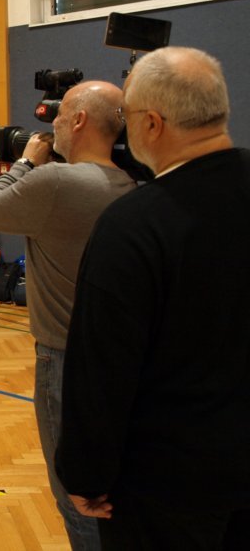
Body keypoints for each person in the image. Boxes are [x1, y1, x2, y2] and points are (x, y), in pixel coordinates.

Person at [56, 47, 250, 549]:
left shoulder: (134, 225)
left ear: (152, 124)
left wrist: (85, 474)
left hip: (169, 484)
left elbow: (102, 367)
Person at [0, 81, 135, 550]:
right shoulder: (129, 184)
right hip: (120, 357)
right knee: (108, 489)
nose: (52, 125)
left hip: (63, 358)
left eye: (59, 115)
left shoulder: (55, 182)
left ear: (79, 120)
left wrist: (25, 162)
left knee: (75, 495)